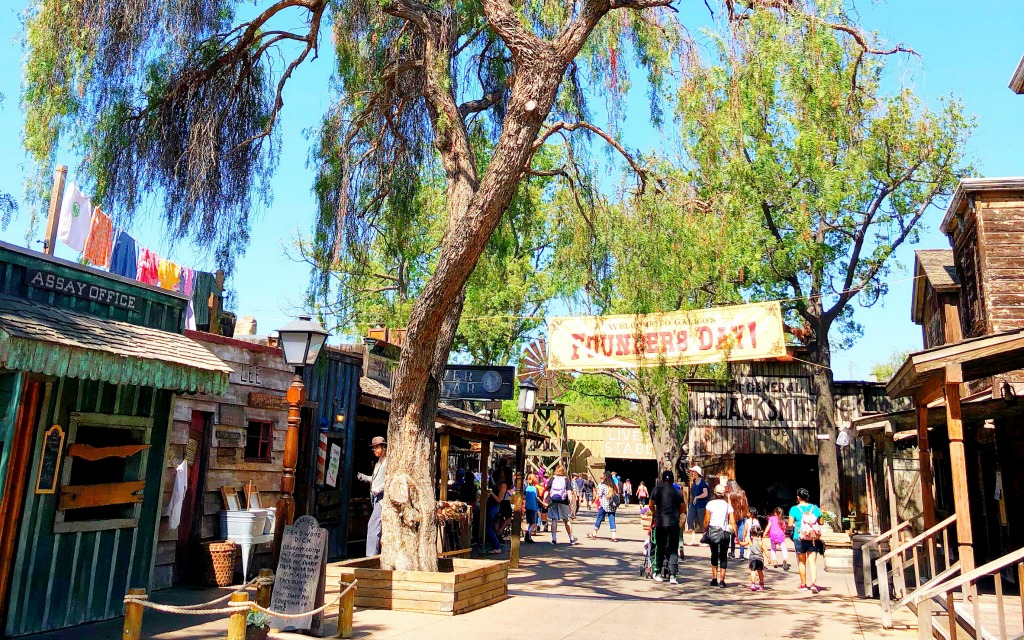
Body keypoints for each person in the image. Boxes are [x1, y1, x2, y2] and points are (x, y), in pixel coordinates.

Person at [648, 470, 684, 584]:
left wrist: (655, 512)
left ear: (662, 479)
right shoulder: (678, 492)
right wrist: (677, 513)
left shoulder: (657, 489)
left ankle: (657, 571)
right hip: (673, 522)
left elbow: (650, 504)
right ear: (672, 479)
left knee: (660, 547)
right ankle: (673, 575)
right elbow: (682, 507)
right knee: (673, 549)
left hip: (661, 522)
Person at [355, 436, 387, 556]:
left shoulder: (387, 462)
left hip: (382, 499)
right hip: (376, 499)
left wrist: (379, 489)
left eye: (376, 447)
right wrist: (364, 477)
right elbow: (375, 480)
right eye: (373, 448)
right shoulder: (379, 462)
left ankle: (371, 555)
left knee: (373, 525)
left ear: (383, 447)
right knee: (376, 526)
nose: (374, 450)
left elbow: (390, 479)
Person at [788, 488, 823, 593]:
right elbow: (821, 522)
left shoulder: (794, 509)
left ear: (798, 497)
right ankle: (814, 584)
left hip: (799, 537)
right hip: (812, 537)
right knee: (812, 562)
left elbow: (790, 524)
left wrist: (796, 524)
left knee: (802, 562)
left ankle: (803, 584)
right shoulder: (814, 508)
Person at [703, 483, 736, 587]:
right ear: (724, 494)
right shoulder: (728, 506)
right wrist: (736, 534)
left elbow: (706, 520)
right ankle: (722, 581)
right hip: (725, 531)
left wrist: (704, 529)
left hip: (713, 531)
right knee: (723, 556)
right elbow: (732, 522)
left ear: (715, 493)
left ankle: (714, 579)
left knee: (714, 554)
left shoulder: (710, 504)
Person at [545, 464, 579, 544]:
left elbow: (547, 490)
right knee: (566, 520)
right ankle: (571, 538)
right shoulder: (566, 480)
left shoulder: (552, 479)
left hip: (553, 501)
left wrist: (545, 500)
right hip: (563, 501)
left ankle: (553, 539)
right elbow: (569, 492)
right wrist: (570, 502)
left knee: (554, 520)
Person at [588, 471, 620, 542]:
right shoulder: (613, 485)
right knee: (612, 519)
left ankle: (594, 533)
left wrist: (594, 502)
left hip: (604, 505)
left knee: (599, 518)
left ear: (605, 476)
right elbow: (617, 493)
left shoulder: (603, 485)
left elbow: (598, 495)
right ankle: (613, 536)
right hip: (612, 505)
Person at [485, 464, 509, 554]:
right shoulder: (498, 484)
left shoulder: (503, 485)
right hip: (492, 506)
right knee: (491, 527)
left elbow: (499, 499)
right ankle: (495, 545)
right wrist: (490, 476)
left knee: (489, 528)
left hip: (494, 506)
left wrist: (491, 493)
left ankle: (497, 546)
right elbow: (494, 485)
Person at [685, 465, 710, 546]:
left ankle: (705, 539)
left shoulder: (703, 483)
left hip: (701, 505)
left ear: (697, 472)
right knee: (690, 519)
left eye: (693, 471)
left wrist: (697, 497)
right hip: (694, 504)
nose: (692, 473)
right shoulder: (694, 482)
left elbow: (705, 493)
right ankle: (693, 539)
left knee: (702, 522)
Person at [748, 523, 768, 591]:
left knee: (753, 572)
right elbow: (765, 550)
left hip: (752, 559)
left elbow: (743, 543)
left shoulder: (750, 541)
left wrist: (738, 542)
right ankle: (761, 584)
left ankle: (753, 584)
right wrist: (769, 558)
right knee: (760, 572)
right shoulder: (761, 542)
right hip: (760, 559)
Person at [523, 473, 539, 543]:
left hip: (528, 506)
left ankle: (529, 537)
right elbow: (536, 498)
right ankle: (528, 533)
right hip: (533, 507)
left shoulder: (526, 488)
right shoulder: (535, 488)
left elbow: (525, 496)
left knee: (530, 522)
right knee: (534, 522)